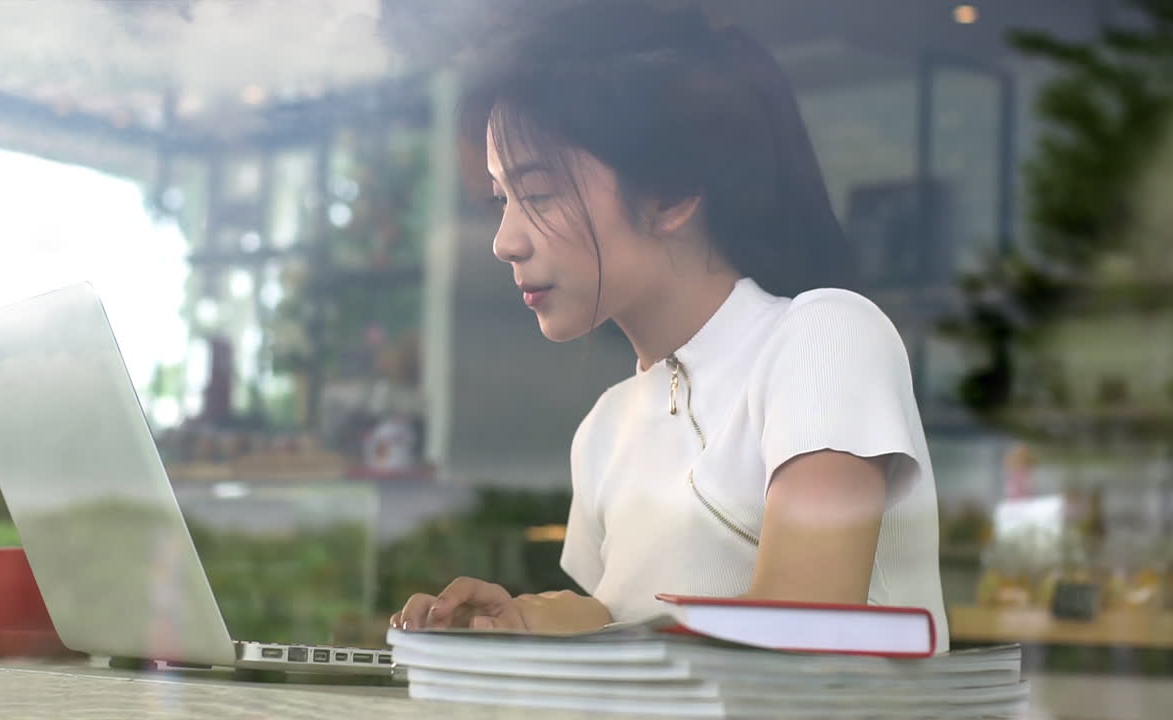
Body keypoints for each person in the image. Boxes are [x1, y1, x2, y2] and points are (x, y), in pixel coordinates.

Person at [390, 1, 949, 651]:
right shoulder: (605, 427)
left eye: (538, 194)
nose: (505, 241)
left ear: (672, 193)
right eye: (500, 200)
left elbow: (802, 634)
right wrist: (529, 624)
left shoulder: (825, 336)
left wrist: (590, 630)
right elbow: (640, 642)